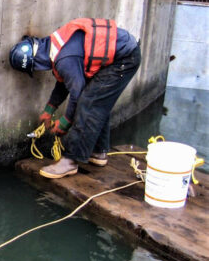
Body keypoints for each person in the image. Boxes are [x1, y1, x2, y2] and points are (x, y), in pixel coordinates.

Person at [9, 18, 141, 178]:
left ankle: (70, 161)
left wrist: (65, 122)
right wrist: (49, 109)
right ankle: (98, 152)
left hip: (124, 59)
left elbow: (77, 93)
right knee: (99, 101)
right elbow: (66, 79)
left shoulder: (64, 60)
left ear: (36, 62)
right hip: (121, 54)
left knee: (90, 102)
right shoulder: (56, 47)